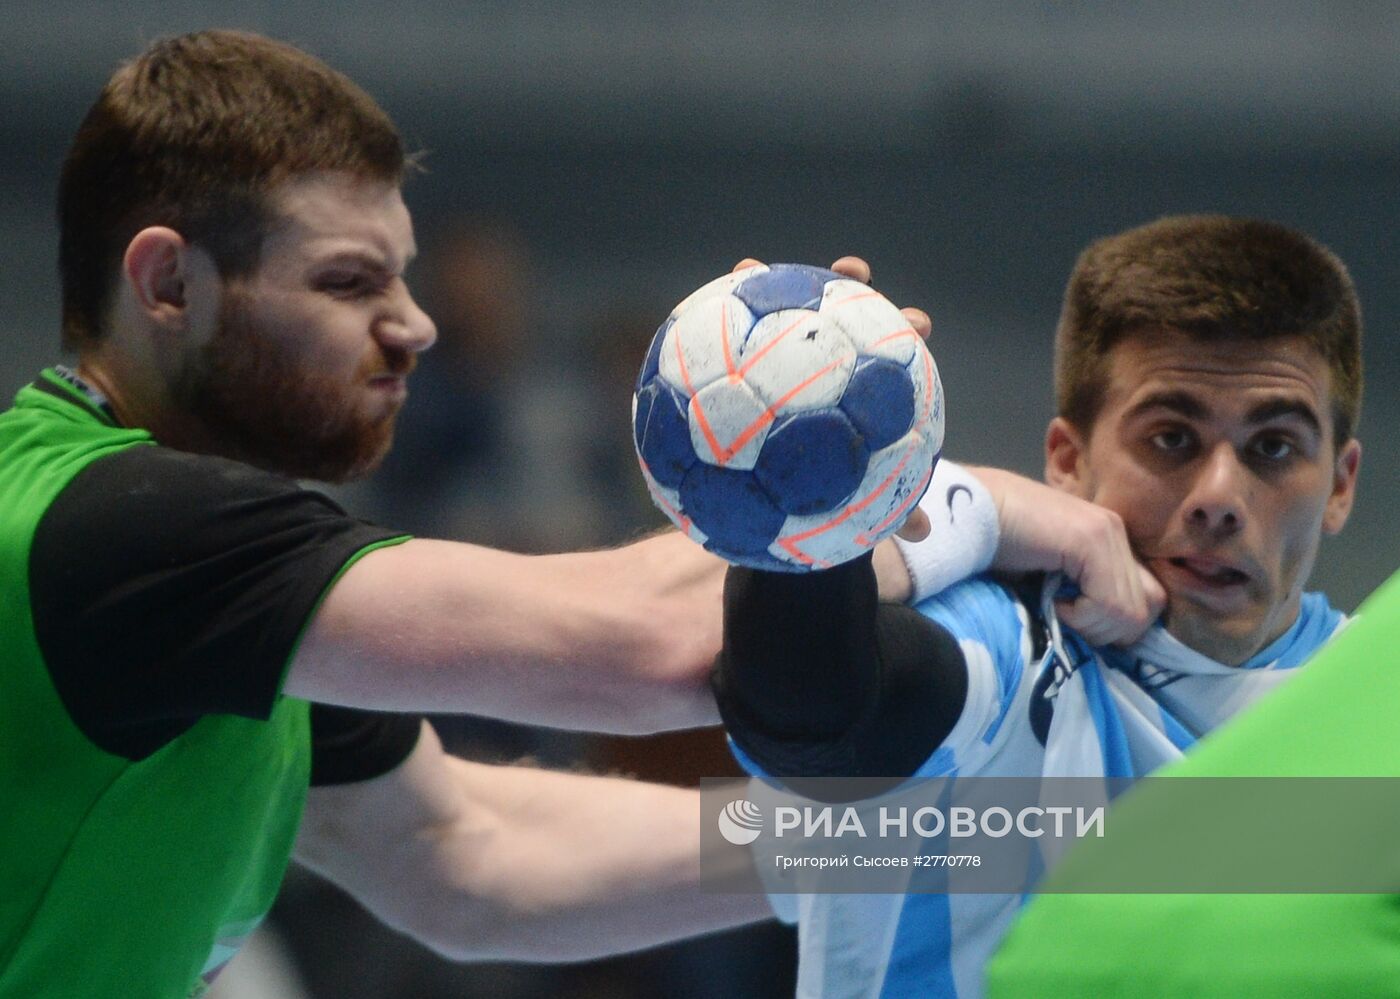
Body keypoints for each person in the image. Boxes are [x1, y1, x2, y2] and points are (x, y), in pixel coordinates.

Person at [0, 30, 969, 997]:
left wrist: (961, 841)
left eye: (403, 273)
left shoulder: (211, 599)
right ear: (170, 285)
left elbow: (467, 853)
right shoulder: (121, 524)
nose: (414, 325)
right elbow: (650, 646)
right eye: (348, 280)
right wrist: (966, 507)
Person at [715, 214, 1364, 998]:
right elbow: (811, 704)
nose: (1219, 498)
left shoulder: (1377, 705)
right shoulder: (1014, 645)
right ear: (1066, 458)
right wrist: (810, 462)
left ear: (1340, 484)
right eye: (1171, 438)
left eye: (1273, 447)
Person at [983, 566, 1400, 998]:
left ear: (1339, 496)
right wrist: (985, 518)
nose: (1218, 500)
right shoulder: (998, 631)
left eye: (1268, 489)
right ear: (1063, 491)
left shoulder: (1377, 690)